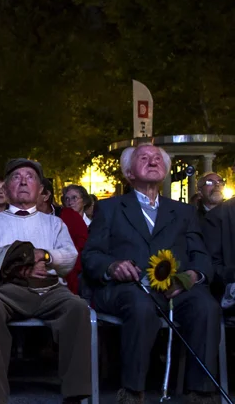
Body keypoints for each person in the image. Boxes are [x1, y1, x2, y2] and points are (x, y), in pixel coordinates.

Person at [82, 144, 218, 404]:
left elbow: (201, 255)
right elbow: (92, 255)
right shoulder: (110, 208)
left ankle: (201, 393)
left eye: (158, 158)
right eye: (144, 158)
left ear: (166, 170)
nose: (153, 161)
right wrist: (112, 267)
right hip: (127, 288)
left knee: (206, 306)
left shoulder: (183, 211)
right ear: (129, 173)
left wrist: (189, 277)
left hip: (173, 288)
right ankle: (132, 392)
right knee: (140, 306)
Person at [0, 159, 90, 404]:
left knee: (77, 307)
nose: (23, 181)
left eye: (30, 177)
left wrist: (45, 256)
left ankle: (75, 393)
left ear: (41, 190)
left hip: (50, 289)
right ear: (6, 187)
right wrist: (21, 269)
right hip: (6, 291)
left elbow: (69, 258)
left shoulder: (54, 223)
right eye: (16, 177)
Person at [36, 178, 88, 295]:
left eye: (35, 190)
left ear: (46, 196)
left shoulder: (70, 216)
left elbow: (82, 250)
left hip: (67, 279)